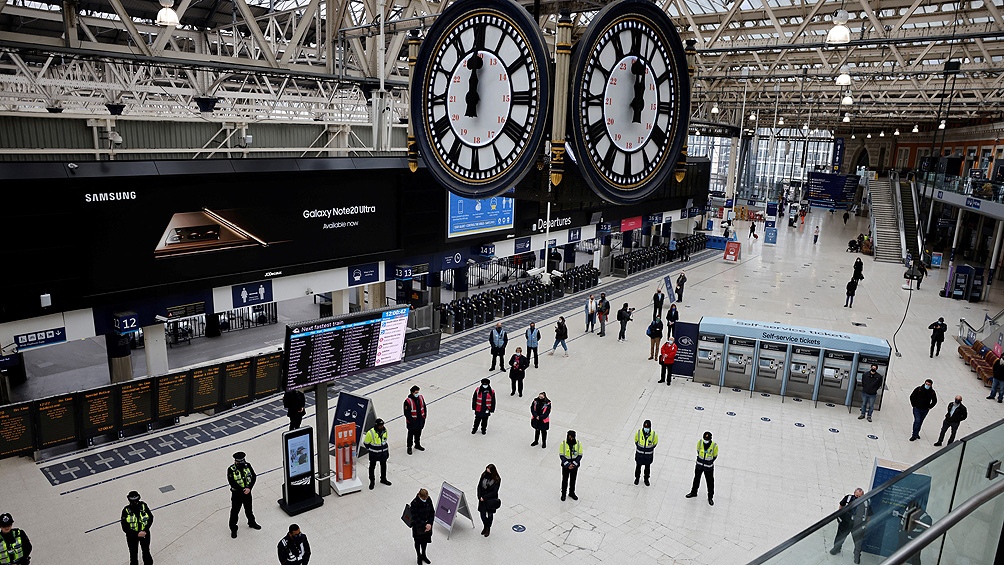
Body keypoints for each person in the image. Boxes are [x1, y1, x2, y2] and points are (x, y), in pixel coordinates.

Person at [829, 488, 870, 564]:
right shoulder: (848, 498)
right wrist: (839, 515)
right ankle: (836, 548)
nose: (858, 498)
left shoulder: (866, 503)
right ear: (854, 493)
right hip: (846, 522)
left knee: (858, 540)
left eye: (860, 496)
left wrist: (865, 524)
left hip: (857, 524)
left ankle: (857, 555)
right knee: (840, 536)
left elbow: (869, 515)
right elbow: (841, 505)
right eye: (856, 495)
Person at [227, 451, 261, 538]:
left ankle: (252, 523)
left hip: (247, 493)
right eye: (239, 462)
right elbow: (232, 483)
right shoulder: (231, 469)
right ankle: (233, 529)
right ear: (236, 461)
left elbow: (253, 476)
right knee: (235, 512)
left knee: (249, 510)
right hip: (237, 495)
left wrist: (249, 488)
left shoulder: (247, 465)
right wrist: (243, 490)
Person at [121, 491, 154, 565]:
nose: (135, 502)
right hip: (132, 536)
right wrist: (137, 534)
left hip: (144, 534)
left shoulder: (143, 506)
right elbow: (124, 527)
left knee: (146, 552)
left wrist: (145, 530)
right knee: (133, 554)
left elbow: (150, 518)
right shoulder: (126, 510)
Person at [685, 431, 717, 506]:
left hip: (708, 468)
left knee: (710, 482)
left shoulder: (714, 446)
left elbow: (715, 456)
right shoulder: (700, 443)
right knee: (696, 479)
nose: (705, 440)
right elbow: (698, 451)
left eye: (707, 439)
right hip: (699, 465)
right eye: (705, 439)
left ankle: (710, 497)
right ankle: (693, 492)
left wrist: (708, 462)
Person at [363, 419, 392, 489]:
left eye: (382, 425)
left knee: (383, 466)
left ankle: (383, 479)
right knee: (372, 467)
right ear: (376, 425)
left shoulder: (385, 430)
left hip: (383, 453)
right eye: (380, 425)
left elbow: (385, 440)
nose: (382, 426)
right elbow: (366, 443)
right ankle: (372, 481)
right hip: (374, 454)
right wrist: (372, 449)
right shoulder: (370, 433)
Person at [409, 489, 434, 565]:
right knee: (417, 542)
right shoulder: (414, 503)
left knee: (424, 541)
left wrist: (430, 523)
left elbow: (432, 512)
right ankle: (418, 556)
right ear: (419, 495)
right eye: (424, 498)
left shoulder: (428, 499)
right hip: (418, 527)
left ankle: (423, 554)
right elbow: (415, 517)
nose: (425, 500)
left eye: (426, 498)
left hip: (427, 525)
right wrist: (425, 524)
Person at [476, 464, 501, 537]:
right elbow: (479, 486)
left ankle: (488, 528)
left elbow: (494, 492)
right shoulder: (484, 475)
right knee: (482, 515)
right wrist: (479, 496)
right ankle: (485, 526)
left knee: (490, 514)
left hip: (490, 499)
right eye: (487, 469)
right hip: (482, 498)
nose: (487, 471)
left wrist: (485, 497)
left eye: (489, 470)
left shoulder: (497, 479)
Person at [559, 430, 583, 501]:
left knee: (573, 479)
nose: (571, 439)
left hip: (574, 466)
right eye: (569, 437)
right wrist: (567, 465)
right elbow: (561, 455)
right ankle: (563, 494)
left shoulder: (578, 444)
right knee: (565, 480)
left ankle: (572, 492)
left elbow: (580, 455)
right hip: (566, 466)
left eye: (572, 437)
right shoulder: (563, 444)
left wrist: (574, 464)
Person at [633, 420, 658, 486]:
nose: (646, 429)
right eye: (645, 427)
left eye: (647, 427)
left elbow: (655, 443)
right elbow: (636, 441)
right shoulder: (638, 433)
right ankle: (637, 478)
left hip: (648, 456)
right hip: (639, 455)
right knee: (638, 467)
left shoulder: (654, 434)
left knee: (647, 468)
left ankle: (646, 479)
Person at [403, 385, 427, 455]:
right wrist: (411, 421)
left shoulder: (421, 398)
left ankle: (417, 444)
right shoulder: (407, 401)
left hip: (420, 420)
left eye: (418, 392)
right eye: (416, 392)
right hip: (412, 421)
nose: (417, 394)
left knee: (418, 434)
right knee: (410, 435)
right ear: (412, 392)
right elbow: (406, 413)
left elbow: (424, 407)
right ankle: (409, 447)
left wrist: (424, 416)